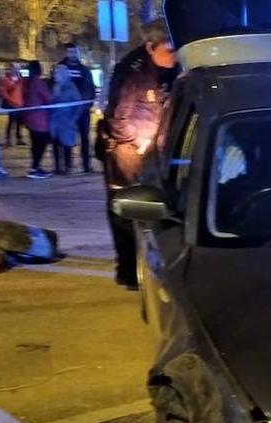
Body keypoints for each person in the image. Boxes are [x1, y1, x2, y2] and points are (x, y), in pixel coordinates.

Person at [102, 19, 180, 288]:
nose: (174, 55)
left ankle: (146, 265)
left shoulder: (168, 69)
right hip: (127, 152)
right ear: (150, 47)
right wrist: (140, 143)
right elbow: (118, 119)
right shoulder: (133, 72)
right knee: (126, 209)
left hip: (149, 150)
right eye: (169, 50)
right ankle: (128, 271)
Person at [60, 43, 98, 173]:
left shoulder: (85, 70)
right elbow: (57, 88)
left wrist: (88, 105)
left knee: (85, 139)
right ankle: (68, 166)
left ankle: (86, 165)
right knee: (68, 139)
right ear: (66, 53)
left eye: (75, 52)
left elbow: (91, 89)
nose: (73, 55)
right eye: (70, 52)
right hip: (68, 113)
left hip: (83, 112)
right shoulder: (61, 68)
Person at [50, 63, 85, 175]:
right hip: (55, 122)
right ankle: (57, 167)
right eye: (55, 73)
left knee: (66, 146)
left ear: (63, 74)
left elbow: (78, 105)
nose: (55, 75)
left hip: (67, 122)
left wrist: (73, 119)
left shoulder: (71, 87)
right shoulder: (55, 87)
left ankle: (68, 167)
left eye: (57, 73)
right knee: (55, 145)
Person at [23, 61, 53, 179]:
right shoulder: (39, 83)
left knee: (35, 144)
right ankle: (35, 168)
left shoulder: (28, 83)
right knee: (41, 144)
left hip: (30, 119)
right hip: (40, 119)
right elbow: (48, 99)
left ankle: (35, 167)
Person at [0, 65, 26, 147]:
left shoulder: (20, 79)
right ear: (12, 69)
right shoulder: (7, 79)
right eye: (15, 68)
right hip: (13, 104)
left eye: (18, 69)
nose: (17, 70)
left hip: (20, 104)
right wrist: (9, 99)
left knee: (19, 122)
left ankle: (19, 138)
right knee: (11, 122)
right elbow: (3, 91)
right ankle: (8, 139)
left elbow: (22, 90)